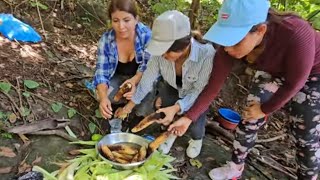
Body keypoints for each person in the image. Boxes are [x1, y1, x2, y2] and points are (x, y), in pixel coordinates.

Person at [168, 0, 320, 179]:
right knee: (249, 116)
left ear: (260, 30)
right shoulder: (229, 47)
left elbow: (295, 83)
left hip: (313, 75)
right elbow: (213, 87)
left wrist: (265, 110)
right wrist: (188, 118)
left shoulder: (296, 33)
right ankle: (235, 167)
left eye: (234, 41)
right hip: (273, 71)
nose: (227, 48)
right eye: (225, 40)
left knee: (305, 136)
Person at [118, 10, 215, 158]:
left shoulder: (206, 54)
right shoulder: (158, 55)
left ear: (184, 47)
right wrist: (128, 107)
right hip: (172, 88)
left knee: (196, 122)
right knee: (166, 114)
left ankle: (196, 140)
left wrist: (178, 107)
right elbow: (146, 82)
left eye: (166, 52)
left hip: (196, 94)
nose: (162, 55)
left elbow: (199, 91)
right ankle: (169, 135)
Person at [92, 0, 151, 121]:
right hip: (119, 78)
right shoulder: (106, 40)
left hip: (143, 79)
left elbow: (151, 68)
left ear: (136, 19)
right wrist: (103, 98)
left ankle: (133, 111)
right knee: (101, 94)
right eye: (116, 21)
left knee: (144, 106)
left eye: (126, 20)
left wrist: (134, 82)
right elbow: (101, 73)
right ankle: (117, 107)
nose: (121, 26)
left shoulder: (146, 36)